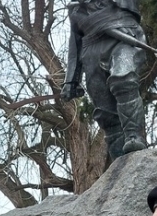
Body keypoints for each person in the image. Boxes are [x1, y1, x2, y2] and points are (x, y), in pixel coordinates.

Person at [62, 0, 148, 160]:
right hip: (91, 48)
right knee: (105, 111)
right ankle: (119, 160)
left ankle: (133, 137)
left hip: (124, 34)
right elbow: (75, 40)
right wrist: (71, 79)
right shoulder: (75, 7)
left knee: (123, 79)